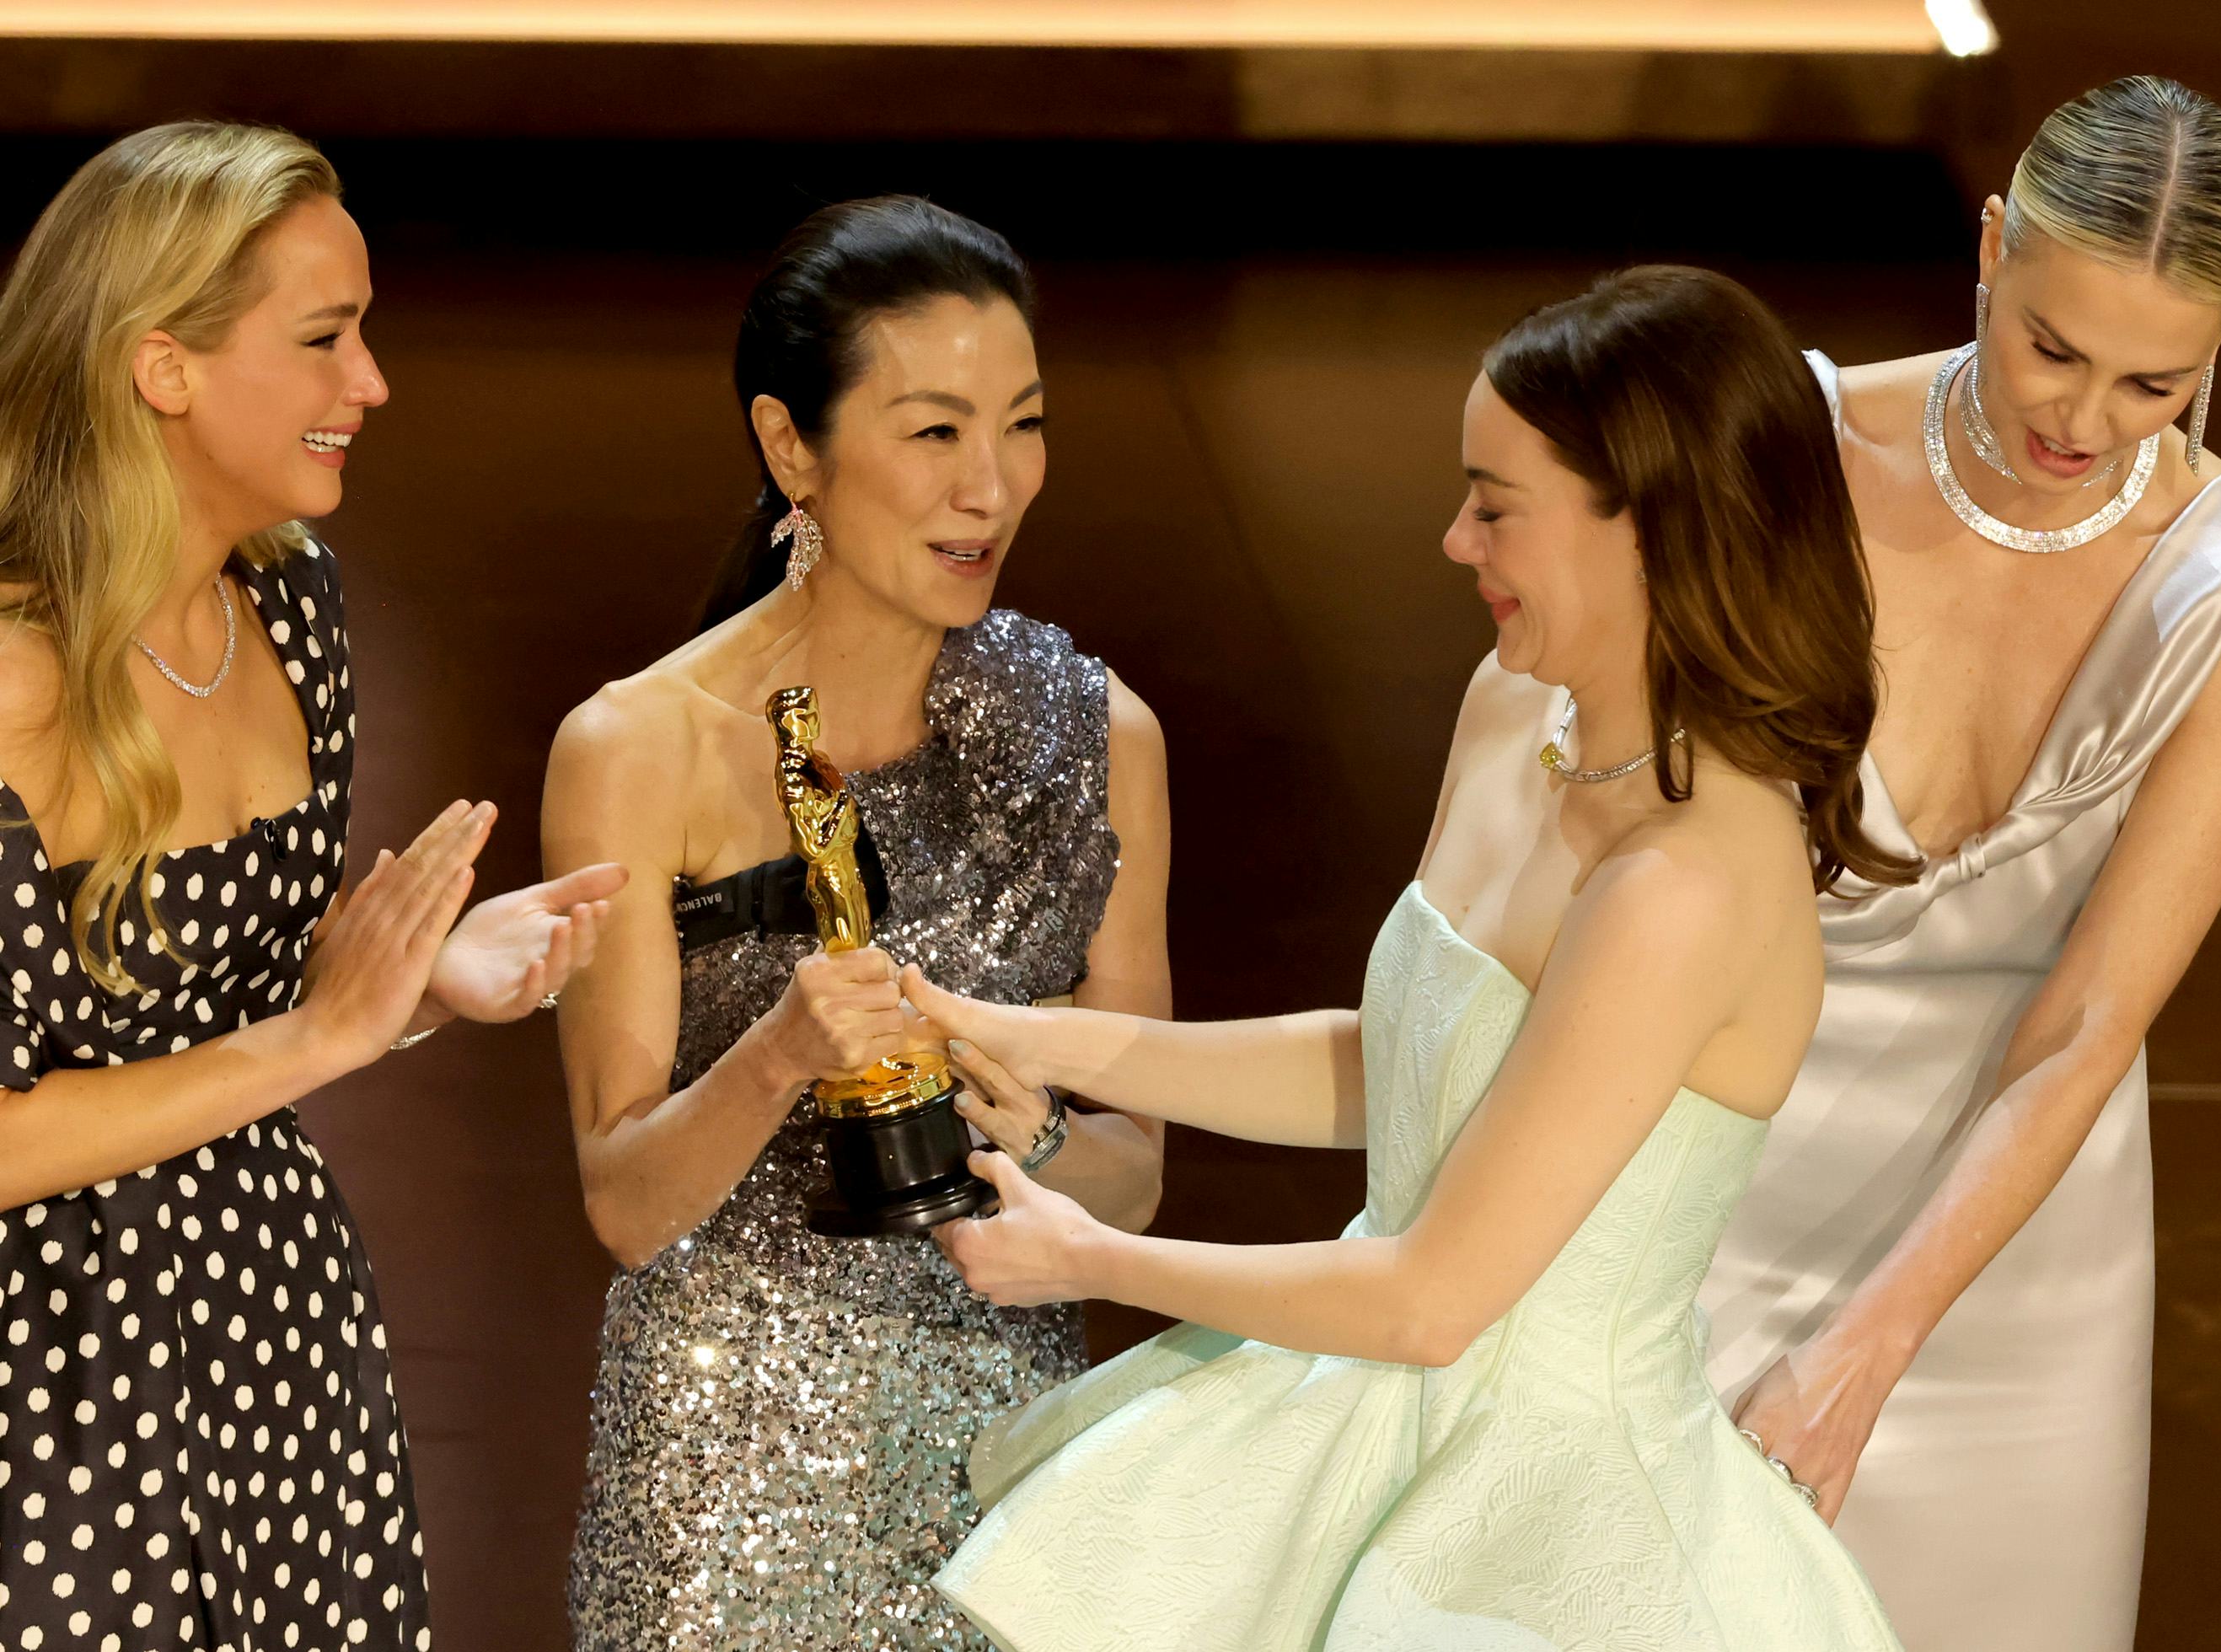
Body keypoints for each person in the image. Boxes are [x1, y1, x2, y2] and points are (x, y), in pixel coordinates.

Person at [912, 265, 1913, 1652]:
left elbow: (1437, 1299)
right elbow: (1409, 1066)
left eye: (1496, 507)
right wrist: (1041, 1038)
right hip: (1363, 1395)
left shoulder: (1684, 884)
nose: (1453, 540)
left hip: (1542, 1528)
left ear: (1650, 529)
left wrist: (1093, 1258)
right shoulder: (1519, 709)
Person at [1699, 76, 2221, 1651]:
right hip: (1695, 1191)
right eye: (2052, 346)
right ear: (1990, 247)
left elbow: (2085, 1024)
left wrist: (1866, 1350)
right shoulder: (1780, 453)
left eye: (2153, 383)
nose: (2081, 420)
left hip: (2011, 1271)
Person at [0, 122, 622, 1649]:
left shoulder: (291, 606)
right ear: (166, 368)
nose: (374, 383)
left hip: (273, 1328)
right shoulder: (10, 676)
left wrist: (418, 984)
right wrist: (319, 1040)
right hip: (44, 1379)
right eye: (327, 339)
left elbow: (245, 1014)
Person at [544, 196, 1170, 1649]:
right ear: (789, 447)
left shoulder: (1100, 738)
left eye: (1021, 426)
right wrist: (775, 1055)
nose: (993, 488)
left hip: (1005, 1469)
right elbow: (626, 1205)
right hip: (719, 1476)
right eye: (935, 432)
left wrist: (1045, 1136)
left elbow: (1135, 1180)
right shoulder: (636, 748)